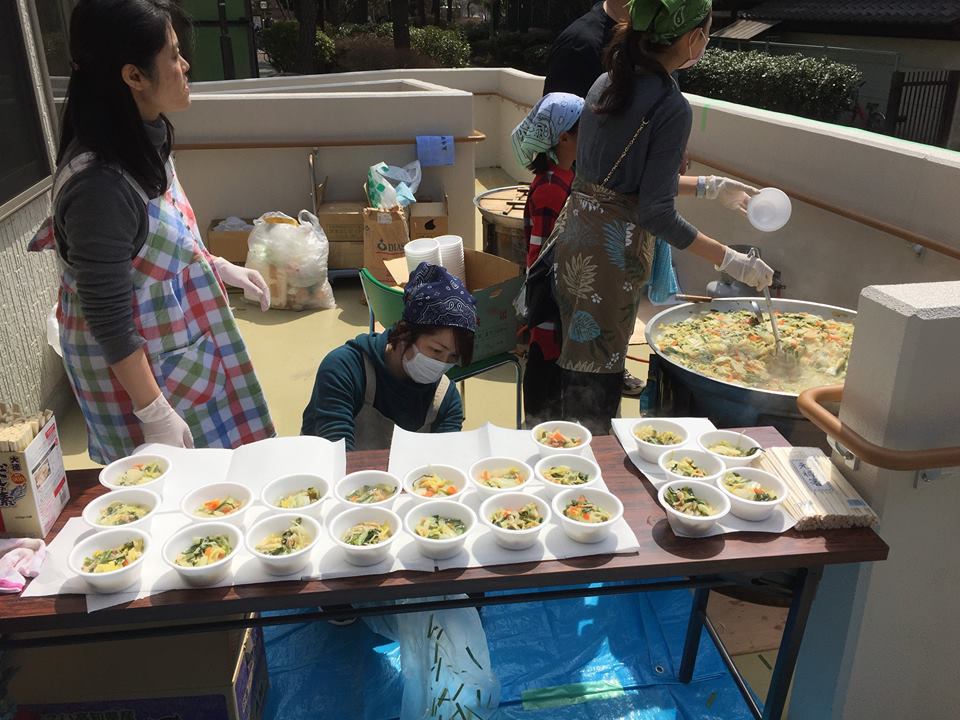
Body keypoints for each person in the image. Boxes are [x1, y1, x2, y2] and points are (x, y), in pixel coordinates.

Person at [28, 0, 275, 464]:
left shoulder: (140, 138)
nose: (185, 67)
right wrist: (154, 410)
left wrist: (216, 265)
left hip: (181, 356)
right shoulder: (100, 186)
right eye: (174, 55)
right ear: (134, 76)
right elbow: (108, 316)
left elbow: (161, 238)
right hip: (146, 382)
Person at [550, 0, 774, 436]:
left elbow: (622, 183)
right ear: (693, 38)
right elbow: (656, 213)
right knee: (595, 387)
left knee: (574, 369)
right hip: (609, 259)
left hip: (575, 238)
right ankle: (588, 459)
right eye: (707, 33)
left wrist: (709, 186)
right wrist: (731, 260)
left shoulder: (606, 81)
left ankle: (564, 446)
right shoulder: (670, 105)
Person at [301, 264, 476, 450]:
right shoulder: (344, 369)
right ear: (405, 333)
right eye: (436, 351)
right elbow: (336, 453)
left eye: (453, 356)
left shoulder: (445, 399)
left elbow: (445, 459)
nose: (441, 364)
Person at [511, 93, 583, 427]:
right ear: (564, 137)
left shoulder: (567, 176)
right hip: (551, 309)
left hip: (562, 303)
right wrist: (541, 319)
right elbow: (539, 259)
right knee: (547, 398)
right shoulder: (551, 188)